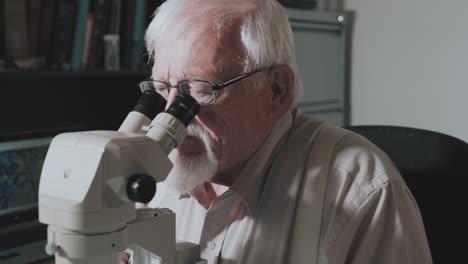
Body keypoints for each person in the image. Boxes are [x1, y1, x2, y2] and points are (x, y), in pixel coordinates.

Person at [135, 0, 433, 263]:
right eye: (162, 88)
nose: (171, 116)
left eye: (198, 91)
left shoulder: (360, 188)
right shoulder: (146, 173)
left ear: (276, 90)